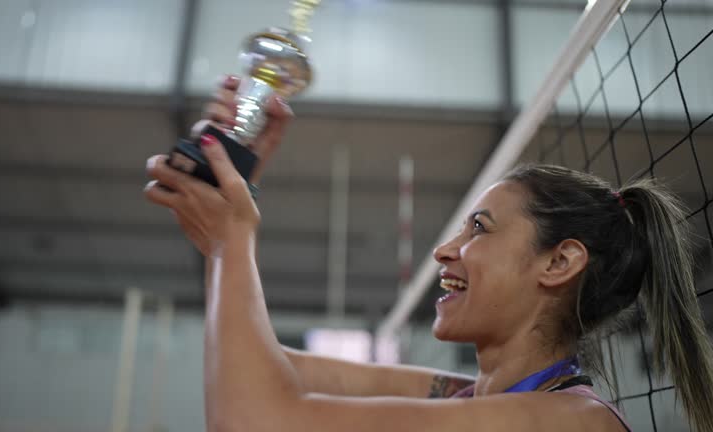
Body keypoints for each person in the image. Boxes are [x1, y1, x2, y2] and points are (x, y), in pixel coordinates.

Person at [143, 77, 713, 432]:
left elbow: (253, 420)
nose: (445, 251)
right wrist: (233, 198)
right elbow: (262, 370)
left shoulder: (571, 421)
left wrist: (231, 242)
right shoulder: (467, 394)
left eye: (479, 229)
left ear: (559, 263)